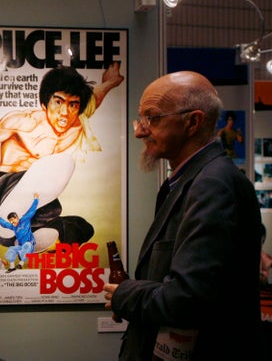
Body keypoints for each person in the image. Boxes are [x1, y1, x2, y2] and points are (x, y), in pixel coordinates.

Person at [103, 71, 263, 360]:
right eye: (141, 119)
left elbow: (188, 299)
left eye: (152, 118)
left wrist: (124, 294)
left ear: (192, 122)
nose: (139, 131)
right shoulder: (192, 180)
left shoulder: (212, 185)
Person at [0, 63, 124, 246]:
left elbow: (95, 97)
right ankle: (11, 217)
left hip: (21, 218)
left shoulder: (77, 123)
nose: (65, 113)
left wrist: (110, 82)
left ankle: (30, 236)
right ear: (45, 103)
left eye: (73, 105)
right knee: (61, 164)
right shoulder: (25, 122)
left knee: (81, 226)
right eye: (58, 102)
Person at [0, 194, 39, 272]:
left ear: (17, 217)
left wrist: (36, 200)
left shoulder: (24, 220)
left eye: (13, 220)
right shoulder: (13, 226)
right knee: (11, 249)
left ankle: (20, 264)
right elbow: (5, 224)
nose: (12, 222)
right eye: (11, 221)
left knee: (26, 246)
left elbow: (31, 211)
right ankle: (12, 267)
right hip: (21, 246)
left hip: (29, 244)